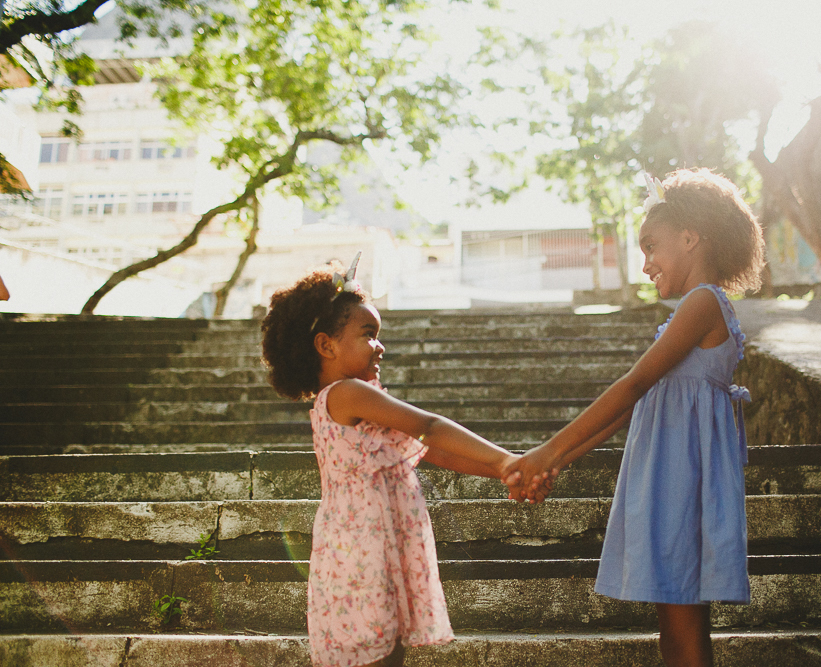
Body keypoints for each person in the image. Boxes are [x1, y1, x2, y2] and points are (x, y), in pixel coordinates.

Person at [505, 168, 765, 667]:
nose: (645, 264)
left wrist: (547, 449)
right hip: (668, 475)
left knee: (684, 618)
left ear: (690, 238)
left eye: (651, 246)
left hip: (682, 477)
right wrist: (555, 462)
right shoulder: (692, 308)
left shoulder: (704, 302)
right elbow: (628, 410)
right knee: (673, 617)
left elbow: (632, 386)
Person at [261, 255, 523, 667]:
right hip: (362, 549)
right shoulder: (348, 394)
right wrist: (508, 460)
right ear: (326, 345)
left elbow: (431, 451)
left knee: (383, 653)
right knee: (376, 655)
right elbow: (430, 427)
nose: (379, 345)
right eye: (368, 333)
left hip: (368, 545)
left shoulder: (347, 399)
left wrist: (505, 471)